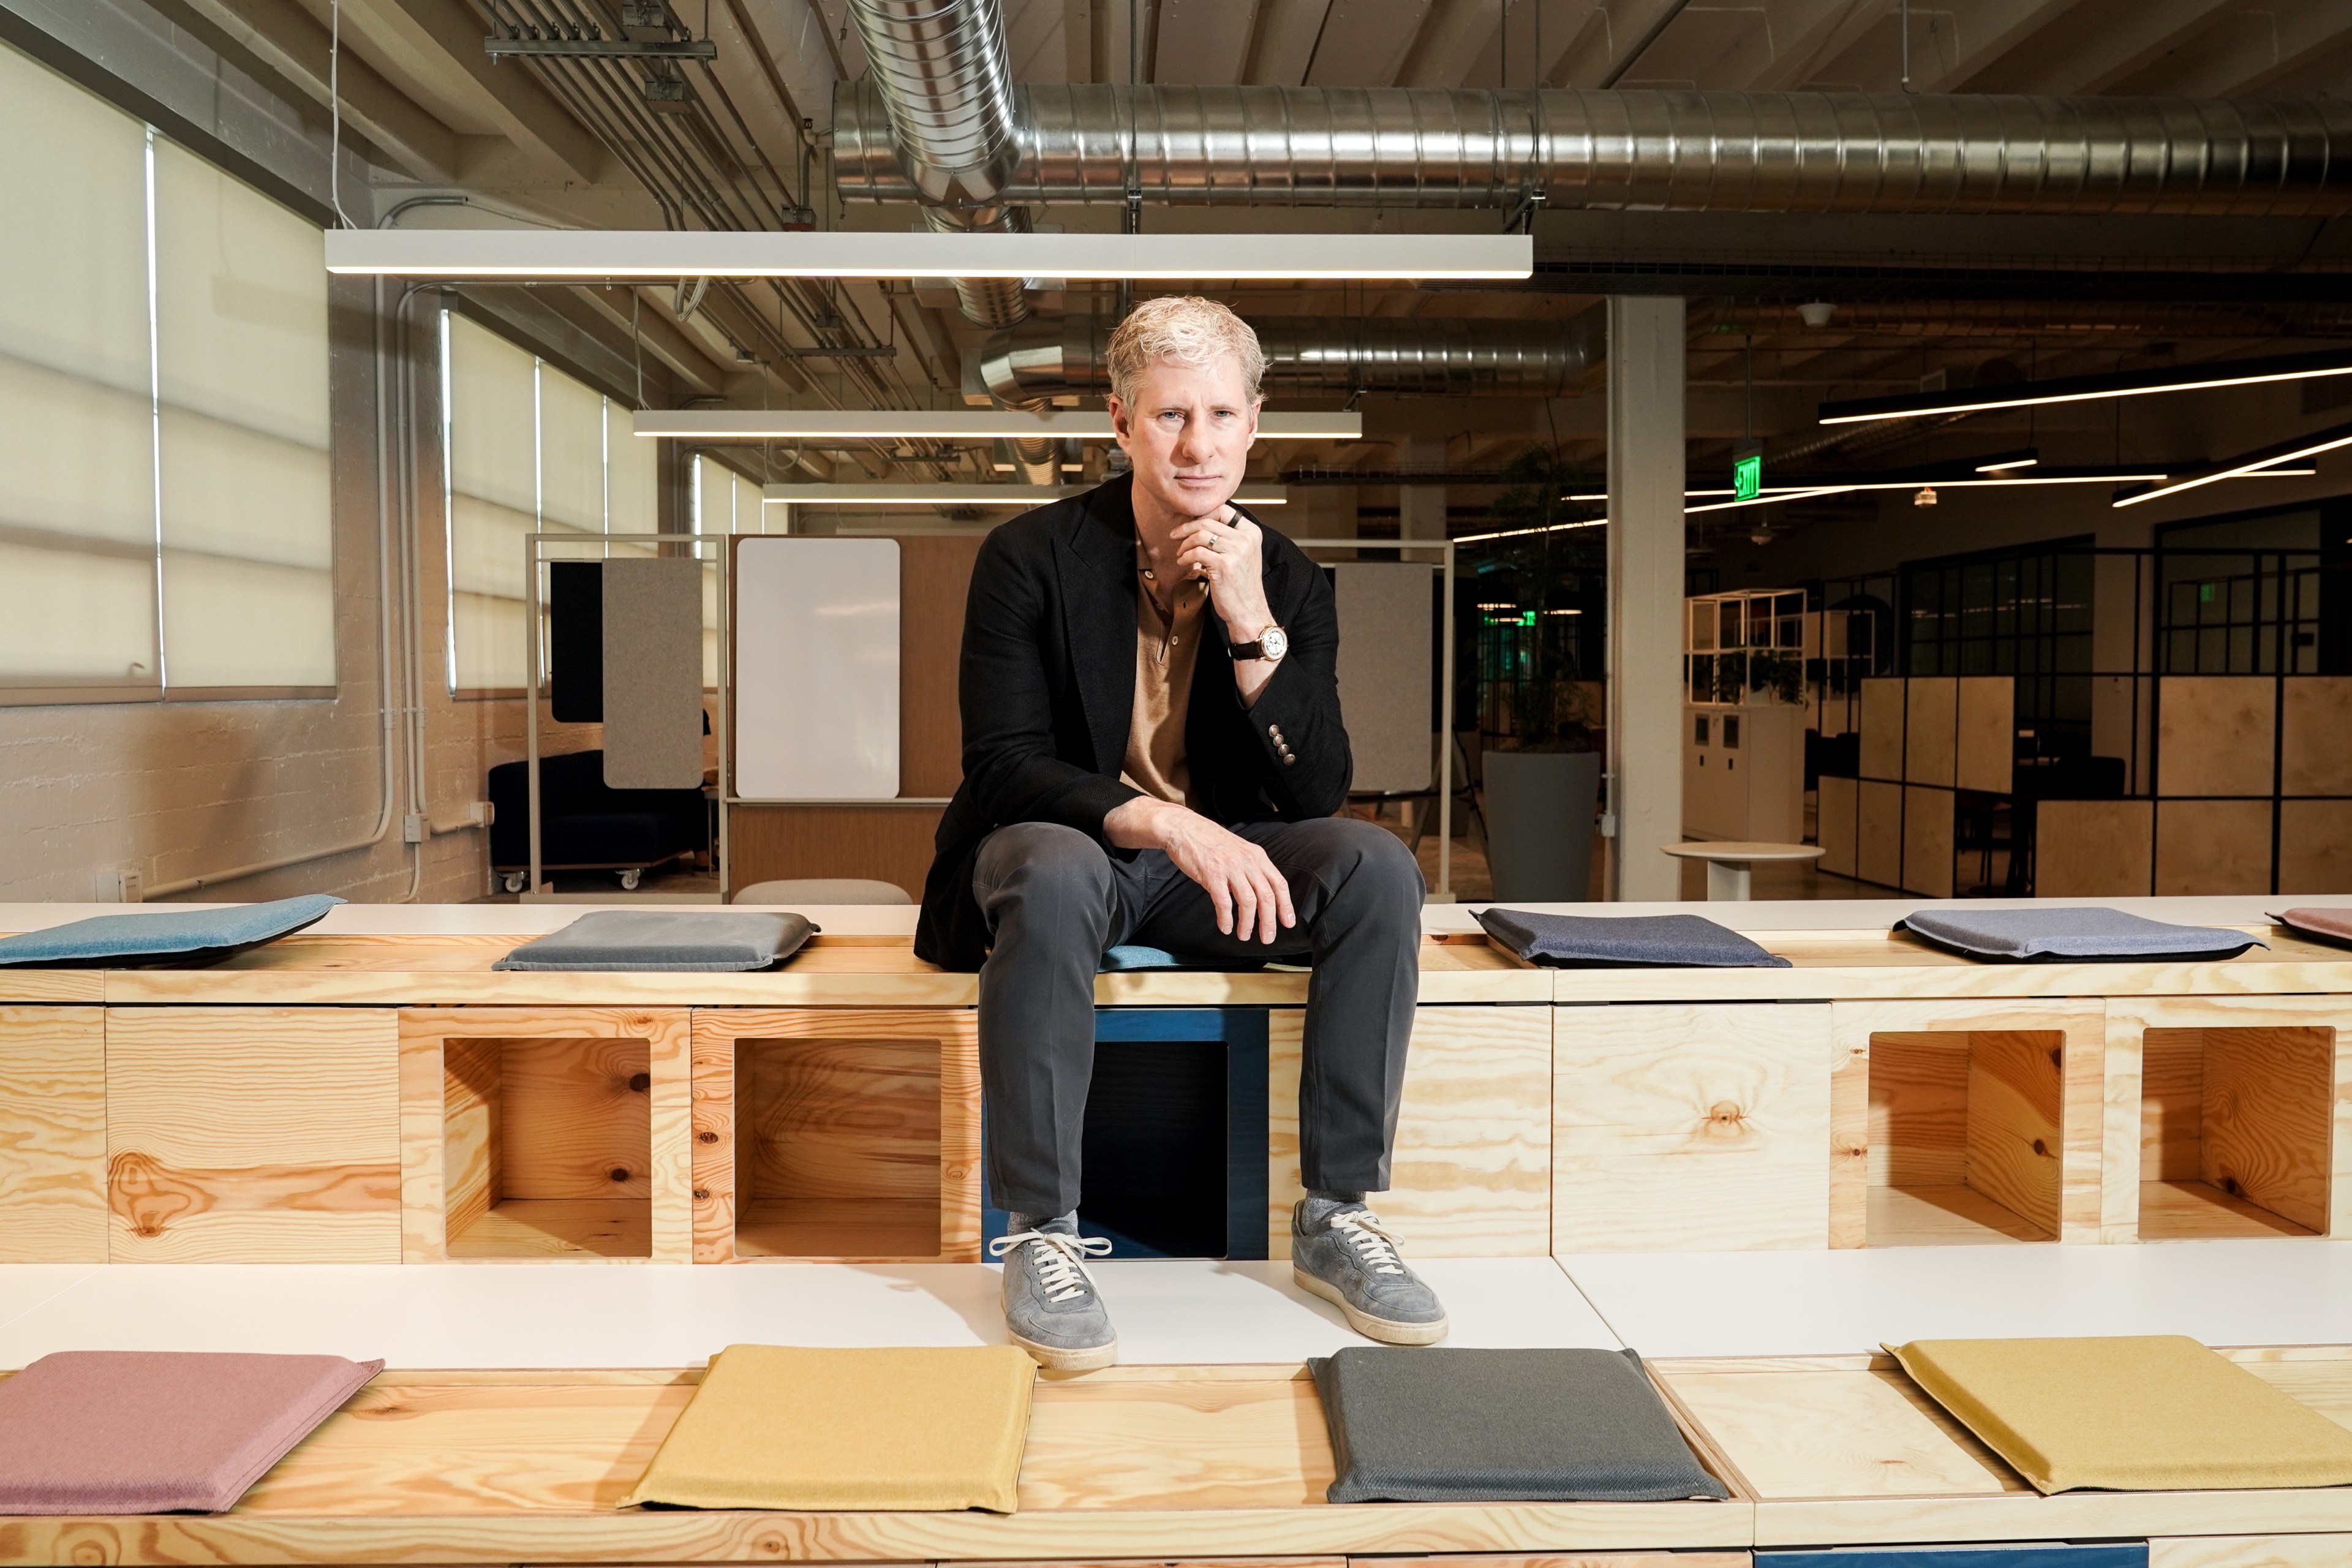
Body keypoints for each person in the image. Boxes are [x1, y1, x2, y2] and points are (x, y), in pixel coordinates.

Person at [915, 295, 1445, 1371]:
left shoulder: (1286, 575)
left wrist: (1254, 627)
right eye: (1168, 417)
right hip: (1070, 851)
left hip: (1217, 869)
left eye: (1219, 415)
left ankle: (1336, 1215)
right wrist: (1168, 822)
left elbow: (1318, 792)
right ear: (1120, 424)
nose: (1197, 445)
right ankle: (1043, 1231)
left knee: (1377, 868)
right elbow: (1004, 765)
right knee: (1056, 870)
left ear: (1254, 423)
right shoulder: (1029, 557)